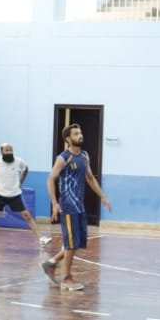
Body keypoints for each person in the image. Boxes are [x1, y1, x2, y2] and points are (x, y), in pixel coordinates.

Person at [41, 124, 111, 292]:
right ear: (68, 139)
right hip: (68, 206)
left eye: (80, 133)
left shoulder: (84, 156)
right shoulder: (63, 158)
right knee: (71, 244)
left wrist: (102, 196)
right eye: (76, 134)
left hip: (79, 206)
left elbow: (90, 178)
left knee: (76, 242)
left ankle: (51, 263)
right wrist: (55, 203)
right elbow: (50, 179)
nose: (80, 135)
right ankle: (66, 279)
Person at [0, 142, 51, 249]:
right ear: (1, 152)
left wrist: (21, 182)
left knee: (27, 216)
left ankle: (41, 239)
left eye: (11, 150)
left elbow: (26, 169)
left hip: (15, 194)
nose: (9, 152)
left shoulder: (18, 161)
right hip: (0, 194)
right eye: (7, 150)